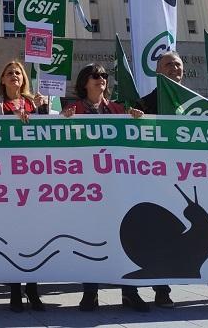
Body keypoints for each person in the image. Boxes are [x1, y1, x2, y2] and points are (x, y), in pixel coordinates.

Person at [138, 51, 208, 308]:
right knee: (161, 234)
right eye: (168, 64)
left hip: (196, 176)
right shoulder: (143, 103)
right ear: (158, 71)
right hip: (159, 177)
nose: (174, 68)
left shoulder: (198, 103)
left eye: (178, 64)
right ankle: (162, 291)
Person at [64, 63, 148, 312]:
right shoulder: (73, 110)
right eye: (95, 75)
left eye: (104, 75)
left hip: (115, 187)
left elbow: (136, 141)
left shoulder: (119, 110)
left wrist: (137, 121)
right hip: (86, 188)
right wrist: (63, 121)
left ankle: (129, 292)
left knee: (124, 237)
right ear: (84, 82)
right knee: (90, 239)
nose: (101, 79)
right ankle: (90, 292)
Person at [0, 61, 46, 312]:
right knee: (10, 236)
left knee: (32, 237)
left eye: (18, 73)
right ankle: (14, 291)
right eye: (9, 72)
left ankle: (32, 289)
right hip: (5, 181)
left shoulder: (37, 104)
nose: (14, 76)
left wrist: (42, 114)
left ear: (24, 79)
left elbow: (50, 137)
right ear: (2, 79)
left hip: (33, 180)